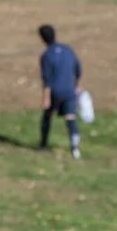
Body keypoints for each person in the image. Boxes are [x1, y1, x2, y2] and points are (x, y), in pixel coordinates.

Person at [37, 25, 83, 159]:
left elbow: (47, 79)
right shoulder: (68, 50)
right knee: (70, 118)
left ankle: (43, 144)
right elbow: (78, 70)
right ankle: (75, 149)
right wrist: (75, 85)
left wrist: (46, 98)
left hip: (55, 91)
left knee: (47, 115)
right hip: (69, 90)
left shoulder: (46, 55)